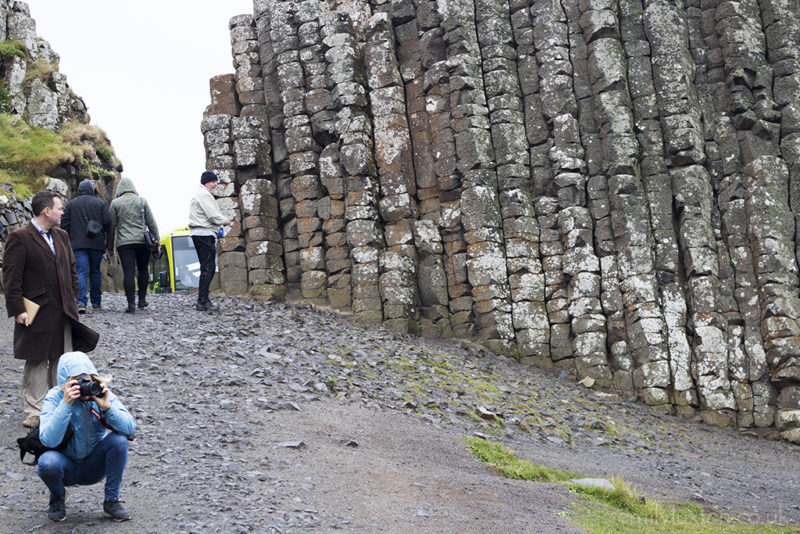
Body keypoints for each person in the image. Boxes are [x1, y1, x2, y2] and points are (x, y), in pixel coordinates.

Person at [3, 191, 99, 428]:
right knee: (36, 359)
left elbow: (72, 269)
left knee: (61, 359)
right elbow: (10, 279)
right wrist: (18, 309)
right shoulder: (20, 237)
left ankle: (58, 404)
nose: (62, 212)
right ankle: (34, 410)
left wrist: (74, 295)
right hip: (35, 310)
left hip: (63, 309)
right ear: (47, 211)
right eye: (59, 208)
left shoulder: (63, 236)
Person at [38, 351, 136, 522]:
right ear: (65, 381)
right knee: (46, 462)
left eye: (87, 379)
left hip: (93, 465)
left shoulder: (98, 393)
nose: (84, 385)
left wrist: (107, 408)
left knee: (119, 441)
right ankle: (58, 497)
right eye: (78, 380)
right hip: (64, 465)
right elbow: (48, 440)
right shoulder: (54, 398)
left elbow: (129, 428)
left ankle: (111, 502)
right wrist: (65, 405)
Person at [61, 180, 112, 313]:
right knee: (95, 271)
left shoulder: (72, 204)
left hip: (78, 244)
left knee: (80, 271)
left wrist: (70, 236)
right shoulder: (100, 203)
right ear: (91, 190)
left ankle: (81, 302)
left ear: (79, 190)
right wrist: (99, 228)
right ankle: (96, 303)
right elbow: (108, 222)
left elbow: (64, 224)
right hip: (96, 243)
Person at [109, 177, 159, 314]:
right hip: (143, 242)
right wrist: (157, 242)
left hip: (124, 244)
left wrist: (109, 246)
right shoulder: (142, 201)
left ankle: (131, 304)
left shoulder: (115, 203)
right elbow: (152, 223)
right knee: (143, 270)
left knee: (128, 272)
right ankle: (142, 300)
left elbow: (112, 227)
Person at [188, 170, 231, 311]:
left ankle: (203, 299)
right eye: (213, 181)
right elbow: (212, 215)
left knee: (207, 267)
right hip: (204, 233)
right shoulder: (204, 194)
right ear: (206, 181)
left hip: (201, 233)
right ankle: (202, 301)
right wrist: (225, 221)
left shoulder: (202, 194)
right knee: (209, 267)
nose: (215, 184)